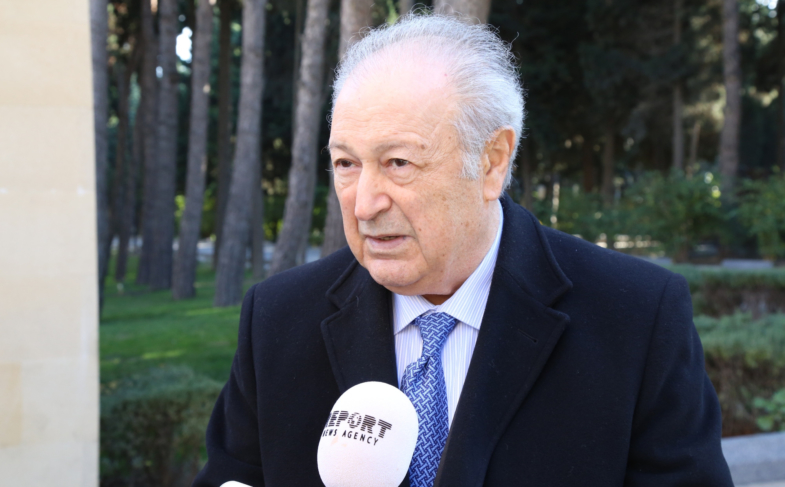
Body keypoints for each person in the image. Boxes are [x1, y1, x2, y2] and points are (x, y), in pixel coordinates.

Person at [194, 13, 732, 487]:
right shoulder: (277, 320)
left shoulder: (636, 318)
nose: (364, 203)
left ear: (493, 161)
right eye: (346, 164)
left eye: (399, 162)